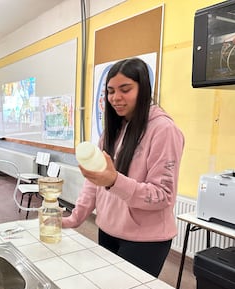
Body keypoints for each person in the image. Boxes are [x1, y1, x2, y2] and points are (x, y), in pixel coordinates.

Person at [62, 58, 184, 277]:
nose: (116, 98)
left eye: (125, 89)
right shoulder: (114, 129)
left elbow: (163, 195)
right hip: (108, 230)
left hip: (145, 241)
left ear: (143, 88)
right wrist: (74, 218)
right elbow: (94, 181)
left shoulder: (164, 130)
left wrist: (114, 181)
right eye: (110, 91)